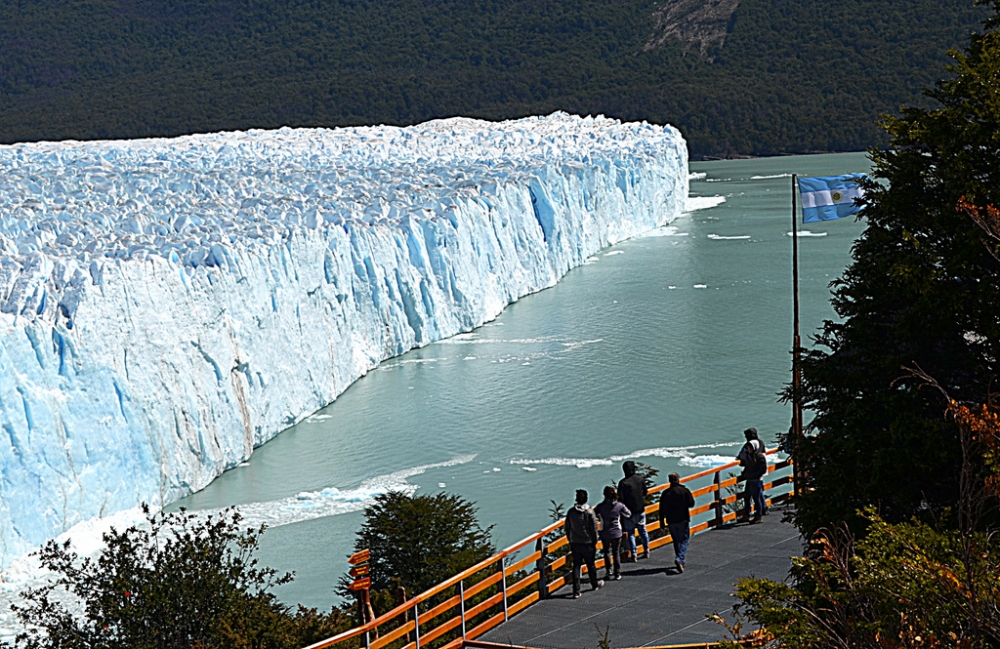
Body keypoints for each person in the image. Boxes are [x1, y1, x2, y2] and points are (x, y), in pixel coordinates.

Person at [565, 489, 604, 597]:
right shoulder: (590, 512)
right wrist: (595, 541)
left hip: (575, 543)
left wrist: (570, 539)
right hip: (588, 542)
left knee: (576, 566)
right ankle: (594, 584)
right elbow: (594, 529)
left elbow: (567, 528)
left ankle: (576, 590)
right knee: (590, 564)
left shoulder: (571, 512)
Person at [658, 472, 695, 573]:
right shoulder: (684, 490)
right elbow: (691, 503)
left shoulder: (665, 493)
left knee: (676, 540)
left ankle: (680, 559)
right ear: (678, 479)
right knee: (684, 539)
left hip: (671, 520)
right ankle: (680, 558)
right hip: (683, 519)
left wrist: (661, 522)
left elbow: (661, 509)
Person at [594, 485, 631, 581]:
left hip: (605, 532)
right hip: (617, 532)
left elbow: (593, 515)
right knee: (616, 553)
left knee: (606, 552)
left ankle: (608, 571)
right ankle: (617, 573)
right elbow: (628, 514)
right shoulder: (619, 505)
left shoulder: (600, 507)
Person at [617, 461, 650, 561]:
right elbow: (645, 492)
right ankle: (646, 550)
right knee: (643, 531)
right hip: (640, 509)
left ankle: (634, 553)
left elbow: (620, 499)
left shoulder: (623, 483)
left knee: (631, 534)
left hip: (628, 512)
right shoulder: (640, 479)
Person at [736, 427, 767, 524]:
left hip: (755, 478)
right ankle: (762, 509)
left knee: (756, 496)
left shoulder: (754, 453)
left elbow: (741, 457)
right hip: (752, 477)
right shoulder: (761, 443)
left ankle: (758, 515)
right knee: (751, 496)